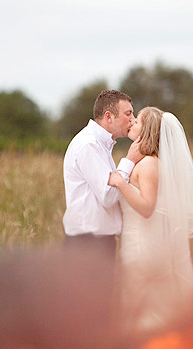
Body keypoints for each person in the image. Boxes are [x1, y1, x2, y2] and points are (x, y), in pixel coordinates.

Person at [108, 107, 193, 332]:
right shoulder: (146, 162)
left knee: (143, 309)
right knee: (142, 306)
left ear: (146, 131)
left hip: (141, 247)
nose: (132, 123)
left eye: (136, 121)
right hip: (139, 243)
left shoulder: (149, 165)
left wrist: (120, 183)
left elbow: (146, 208)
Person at [62, 90, 145, 259]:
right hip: (87, 246)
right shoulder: (89, 145)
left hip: (96, 243)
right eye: (128, 113)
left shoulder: (101, 144)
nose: (132, 119)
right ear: (109, 117)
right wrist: (129, 160)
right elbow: (108, 197)